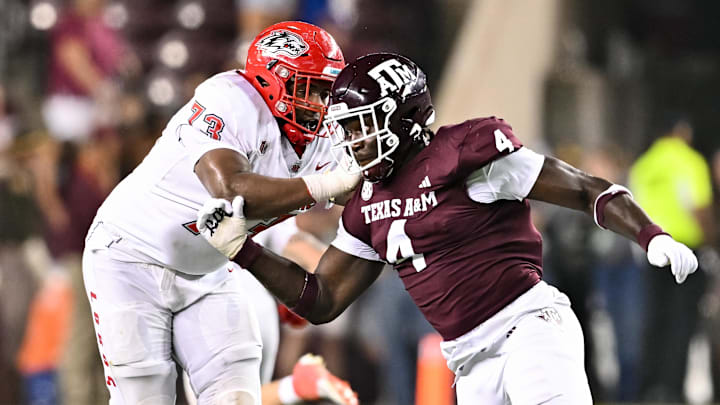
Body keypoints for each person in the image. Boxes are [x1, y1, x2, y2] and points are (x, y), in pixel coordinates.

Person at [198, 53, 699, 405]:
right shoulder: (365, 201)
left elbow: (586, 188)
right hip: (467, 360)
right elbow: (322, 298)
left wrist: (650, 234)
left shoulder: (465, 155)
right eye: (346, 128)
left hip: (528, 328)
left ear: (404, 118)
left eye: (360, 125)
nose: (351, 141)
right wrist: (244, 251)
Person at [82, 21, 360, 404]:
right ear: (272, 80)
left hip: (209, 269)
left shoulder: (320, 139)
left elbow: (368, 194)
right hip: (130, 255)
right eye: (311, 89)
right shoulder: (229, 98)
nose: (320, 104)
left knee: (236, 398)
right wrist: (325, 186)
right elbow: (229, 190)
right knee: (144, 398)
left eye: (326, 92)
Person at [629, 116, 715, 402]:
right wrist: (711, 239)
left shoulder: (644, 165)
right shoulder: (689, 161)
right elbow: (697, 207)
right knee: (682, 320)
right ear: (682, 132)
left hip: (651, 250)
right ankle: (671, 387)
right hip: (685, 250)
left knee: (653, 318)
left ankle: (648, 386)